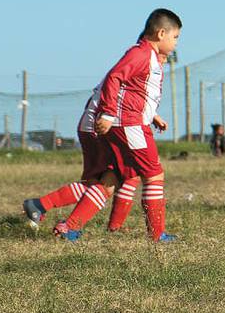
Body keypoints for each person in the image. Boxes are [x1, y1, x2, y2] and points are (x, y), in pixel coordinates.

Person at [51, 8, 182, 243]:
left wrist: (153, 115)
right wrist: (109, 113)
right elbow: (114, 77)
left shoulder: (148, 56)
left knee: (112, 179)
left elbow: (134, 91)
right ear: (162, 33)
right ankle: (156, 235)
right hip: (129, 125)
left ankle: (70, 227)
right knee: (154, 175)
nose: (175, 43)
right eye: (176, 37)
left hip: (130, 122)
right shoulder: (142, 54)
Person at [21, 72, 153, 233]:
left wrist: (154, 116)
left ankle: (42, 206)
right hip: (102, 127)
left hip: (98, 125)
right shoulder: (140, 61)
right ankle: (70, 225)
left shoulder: (139, 63)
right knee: (116, 179)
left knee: (108, 181)